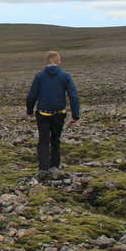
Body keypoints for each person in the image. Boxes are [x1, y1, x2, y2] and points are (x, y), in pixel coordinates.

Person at [26, 51, 80, 179]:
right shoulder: (65, 76)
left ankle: (43, 169)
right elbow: (73, 96)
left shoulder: (39, 76)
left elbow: (32, 95)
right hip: (58, 114)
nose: (60, 61)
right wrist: (75, 116)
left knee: (43, 140)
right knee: (56, 140)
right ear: (56, 61)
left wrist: (29, 110)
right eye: (59, 59)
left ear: (47, 61)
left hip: (43, 113)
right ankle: (54, 166)